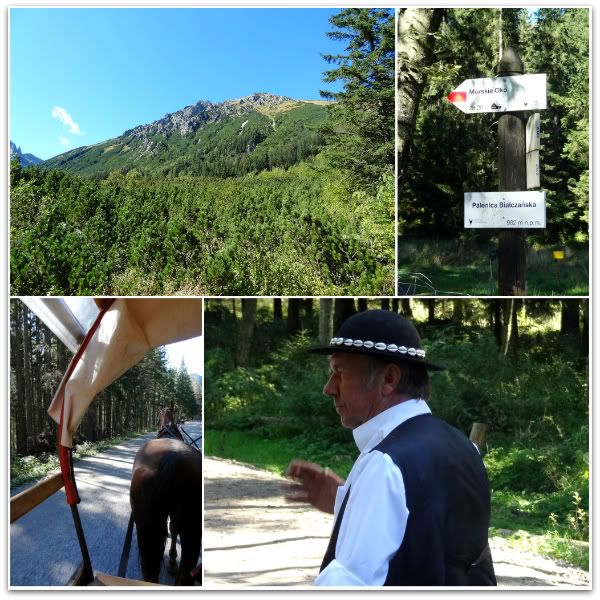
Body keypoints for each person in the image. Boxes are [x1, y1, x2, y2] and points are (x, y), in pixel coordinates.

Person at [284, 309, 496, 586]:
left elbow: (349, 583)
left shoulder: (386, 463)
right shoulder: (462, 446)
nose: (328, 388)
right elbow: (431, 534)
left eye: (339, 373)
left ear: (388, 379)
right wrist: (346, 501)